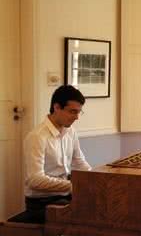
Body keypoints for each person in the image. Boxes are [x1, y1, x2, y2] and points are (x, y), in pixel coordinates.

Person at [22, 85, 91, 223]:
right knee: (84, 218)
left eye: (79, 112)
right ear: (57, 107)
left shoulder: (70, 132)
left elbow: (79, 162)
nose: (77, 117)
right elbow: (35, 180)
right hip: (41, 203)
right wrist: (73, 185)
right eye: (72, 111)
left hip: (65, 197)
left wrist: (93, 180)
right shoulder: (37, 136)